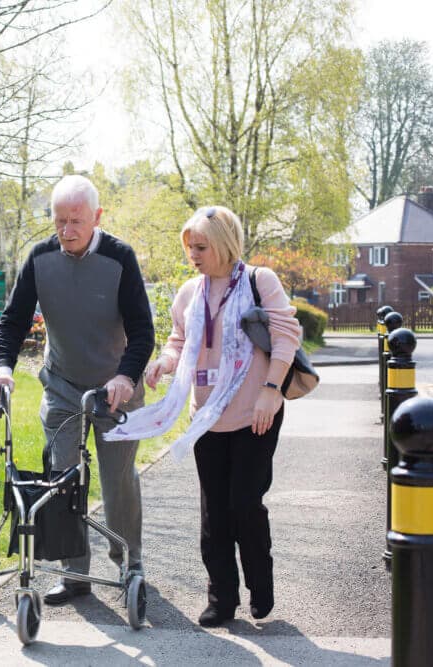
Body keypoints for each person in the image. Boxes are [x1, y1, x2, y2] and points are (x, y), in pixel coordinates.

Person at [105, 205, 302, 627]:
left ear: (226, 244)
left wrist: (271, 391)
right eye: (189, 247)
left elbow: (286, 336)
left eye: (201, 246)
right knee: (214, 511)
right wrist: (165, 362)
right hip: (207, 418)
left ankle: (260, 586)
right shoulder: (189, 293)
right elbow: (180, 340)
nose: (193, 255)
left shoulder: (258, 282)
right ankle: (221, 598)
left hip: (256, 414)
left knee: (245, 503)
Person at [0, 174, 155, 605]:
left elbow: (142, 331)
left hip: (116, 388)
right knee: (62, 480)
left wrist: (125, 377)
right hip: (62, 388)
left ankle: (128, 561)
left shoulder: (120, 258)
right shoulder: (40, 259)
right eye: (59, 221)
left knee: (117, 484)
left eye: (76, 220)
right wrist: (2, 368)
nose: (66, 230)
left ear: (96, 217)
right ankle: (74, 573)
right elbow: (13, 322)